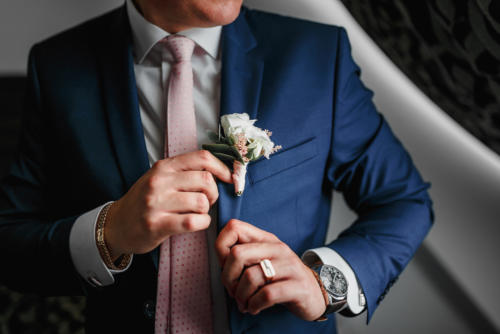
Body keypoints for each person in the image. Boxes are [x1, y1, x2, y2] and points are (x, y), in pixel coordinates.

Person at [0, 0, 433, 333]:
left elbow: (403, 200)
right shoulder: (57, 67)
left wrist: (325, 282)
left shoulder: (317, 56)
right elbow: (11, 242)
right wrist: (109, 231)